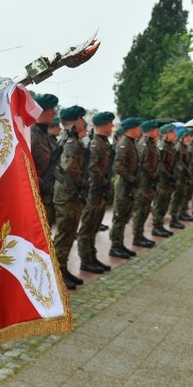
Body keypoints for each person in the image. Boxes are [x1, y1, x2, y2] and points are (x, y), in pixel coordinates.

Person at [51, 105, 88, 290]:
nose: (84, 122)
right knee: (64, 235)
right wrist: (81, 184)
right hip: (68, 194)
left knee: (69, 234)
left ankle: (62, 269)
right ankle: (57, 274)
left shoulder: (72, 140)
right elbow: (70, 168)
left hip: (70, 194)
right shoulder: (71, 143)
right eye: (82, 118)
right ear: (75, 121)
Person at [77, 111, 115, 274]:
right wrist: (104, 183)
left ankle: (92, 257)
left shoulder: (104, 142)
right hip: (94, 191)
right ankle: (86, 260)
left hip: (100, 191)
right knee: (87, 227)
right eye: (110, 124)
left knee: (94, 227)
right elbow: (92, 168)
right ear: (104, 125)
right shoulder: (95, 144)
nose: (112, 126)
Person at [108, 117, 142, 259]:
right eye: (138, 127)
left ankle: (120, 244)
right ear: (132, 128)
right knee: (119, 217)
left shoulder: (131, 143)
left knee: (125, 216)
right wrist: (131, 178)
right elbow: (118, 166)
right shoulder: (124, 144)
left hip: (129, 186)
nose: (140, 130)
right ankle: (115, 246)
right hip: (124, 185)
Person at [29, 93, 60, 225]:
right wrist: (40, 183)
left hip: (48, 196)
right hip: (33, 196)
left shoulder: (47, 135)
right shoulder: (30, 134)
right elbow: (23, 167)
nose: (54, 112)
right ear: (40, 111)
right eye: (51, 109)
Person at [130, 119, 160, 248]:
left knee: (145, 210)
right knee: (140, 210)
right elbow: (144, 164)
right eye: (156, 129)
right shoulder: (144, 144)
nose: (158, 131)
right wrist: (154, 175)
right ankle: (137, 236)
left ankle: (140, 235)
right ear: (151, 130)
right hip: (143, 183)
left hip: (148, 183)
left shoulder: (151, 144)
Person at [150, 123, 179, 238]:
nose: (175, 134)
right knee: (159, 203)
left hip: (168, 179)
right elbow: (160, 165)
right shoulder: (161, 146)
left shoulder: (170, 146)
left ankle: (160, 225)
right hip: (162, 180)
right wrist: (168, 175)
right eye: (172, 132)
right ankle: (156, 227)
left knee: (165, 203)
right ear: (166, 134)